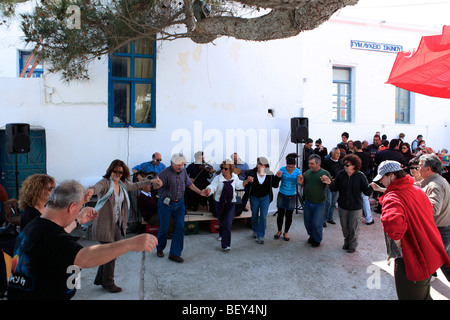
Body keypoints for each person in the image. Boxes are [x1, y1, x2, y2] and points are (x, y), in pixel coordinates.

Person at [8, 180, 158, 300]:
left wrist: (79, 220)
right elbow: (84, 257)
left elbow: (57, 236)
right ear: (71, 206)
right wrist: (131, 243)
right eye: (80, 207)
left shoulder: (36, 224)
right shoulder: (51, 235)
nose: (79, 210)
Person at [370, 161, 450, 300]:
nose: (381, 181)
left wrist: (400, 243)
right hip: (428, 251)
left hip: (411, 257)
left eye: (382, 177)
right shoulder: (416, 189)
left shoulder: (393, 196)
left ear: (392, 175)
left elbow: (392, 224)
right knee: (423, 294)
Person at [87, 159, 162, 293]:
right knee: (111, 253)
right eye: (115, 171)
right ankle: (108, 282)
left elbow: (135, 185)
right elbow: (96, 187)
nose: (117, 174)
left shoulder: (122, 184)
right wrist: (90, 191)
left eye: (120, 172)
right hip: (104, 225)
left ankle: (100, 278)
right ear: (110, 171)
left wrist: (151, 181)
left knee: (110, 252)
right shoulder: (105, 183)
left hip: (116, 224)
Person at [155, 153, 208, 262]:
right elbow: (155, 186)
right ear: (171, 163)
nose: (180, 167)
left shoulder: (183, 171)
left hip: (179, 204)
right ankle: (160, 248)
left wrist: (200, 192)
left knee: (180, 227)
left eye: (182, 164)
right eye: (178, 165)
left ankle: (174, 253)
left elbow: (189, 184)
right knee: (164, 228)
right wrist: (157, 184)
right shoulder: (164, 173)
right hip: (166, 204)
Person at [322, 154, 373, 253]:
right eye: (344, 164)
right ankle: (347, 241)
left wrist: (371, 187)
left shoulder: (360, 176)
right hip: (343, 205)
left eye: (347, 165)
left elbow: (367, 191)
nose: (345, 166)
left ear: (354, 165)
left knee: (354, 227)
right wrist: (329, 183)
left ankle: (352, 245)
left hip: (356, 207)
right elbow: (334, 187)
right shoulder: (341, 174)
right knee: (345, 227)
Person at [205, 160, 253, 251]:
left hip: (231, 203)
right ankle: (221, 234)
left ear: (230, 169)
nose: (223, 170)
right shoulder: (218, 178)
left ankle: (225, 245)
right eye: (222, 168)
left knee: (228, 223)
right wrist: (208, 190)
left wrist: (246, 181)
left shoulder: (234, 177)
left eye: (225, 168)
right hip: (219, 203)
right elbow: (212, 187)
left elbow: (239, 185)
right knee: (221, 221)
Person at [418, 154, 450, 282]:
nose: (418, 168)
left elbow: (434, 208)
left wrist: (416, 205)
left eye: (420, 166)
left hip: (440, 230)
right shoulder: (435, 181)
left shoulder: (434, 185)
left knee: (442, 261)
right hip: (441, 227)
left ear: (428, 169)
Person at [297, 154, 331, 247]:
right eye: (309, 163)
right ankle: (312, 236)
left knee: (316, 223)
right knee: (307, 222)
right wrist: (301, 183)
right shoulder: (307, 172)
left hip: (319, 203)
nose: (310, 165)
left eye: (312, 164)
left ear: (318, 163)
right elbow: (305, 184)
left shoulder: (324, 173)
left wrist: (328, 182)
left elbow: (330, 186)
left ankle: (317, 239)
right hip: (308, 202)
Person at [247, 157, 281, 244]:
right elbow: (246, 184)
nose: (260, 166)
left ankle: (261, 235)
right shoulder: (252, 172)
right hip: (254, 197)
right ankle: (255, 230)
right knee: (254, 215)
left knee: (263, 216)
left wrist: (277, 177)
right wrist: (248, 180)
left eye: (262, 164)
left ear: (266, 165)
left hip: (265, 197)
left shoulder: (269, 173)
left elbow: (274, 185)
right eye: (259, 164)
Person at [274, 156, 302, 241]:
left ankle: (286, 232)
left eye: (292, 167)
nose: (290, 168)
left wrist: (300, 182)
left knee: (289, 215)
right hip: (282, 194)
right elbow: (275, 183)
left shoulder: (297, 171)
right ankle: (279, 231)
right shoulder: (282, 169)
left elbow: (299, 183)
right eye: (288, 167)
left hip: (292, 196)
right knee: (280, 214)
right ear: (286, 164)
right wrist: (278, 177)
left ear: (294, 165)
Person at [321, 147, 343, 225]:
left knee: (333, 203)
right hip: (328, 185)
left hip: (336, 185)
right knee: (328, 202)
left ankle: (330, 218)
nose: (338, 155)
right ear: (332, 153)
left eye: (339, 153)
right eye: (336, 153)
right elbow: (322, 172)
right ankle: (323, 220)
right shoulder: (326, 162)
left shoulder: (341, 163)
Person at [353, 141, 374, 224]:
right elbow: (371, 168)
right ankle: (369, 219)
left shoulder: (353, 156)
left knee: (354, 198)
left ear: (355, 147)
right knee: (365, 199)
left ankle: (354, 219)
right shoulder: (368, 155)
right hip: (365, 179)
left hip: (354, 179)